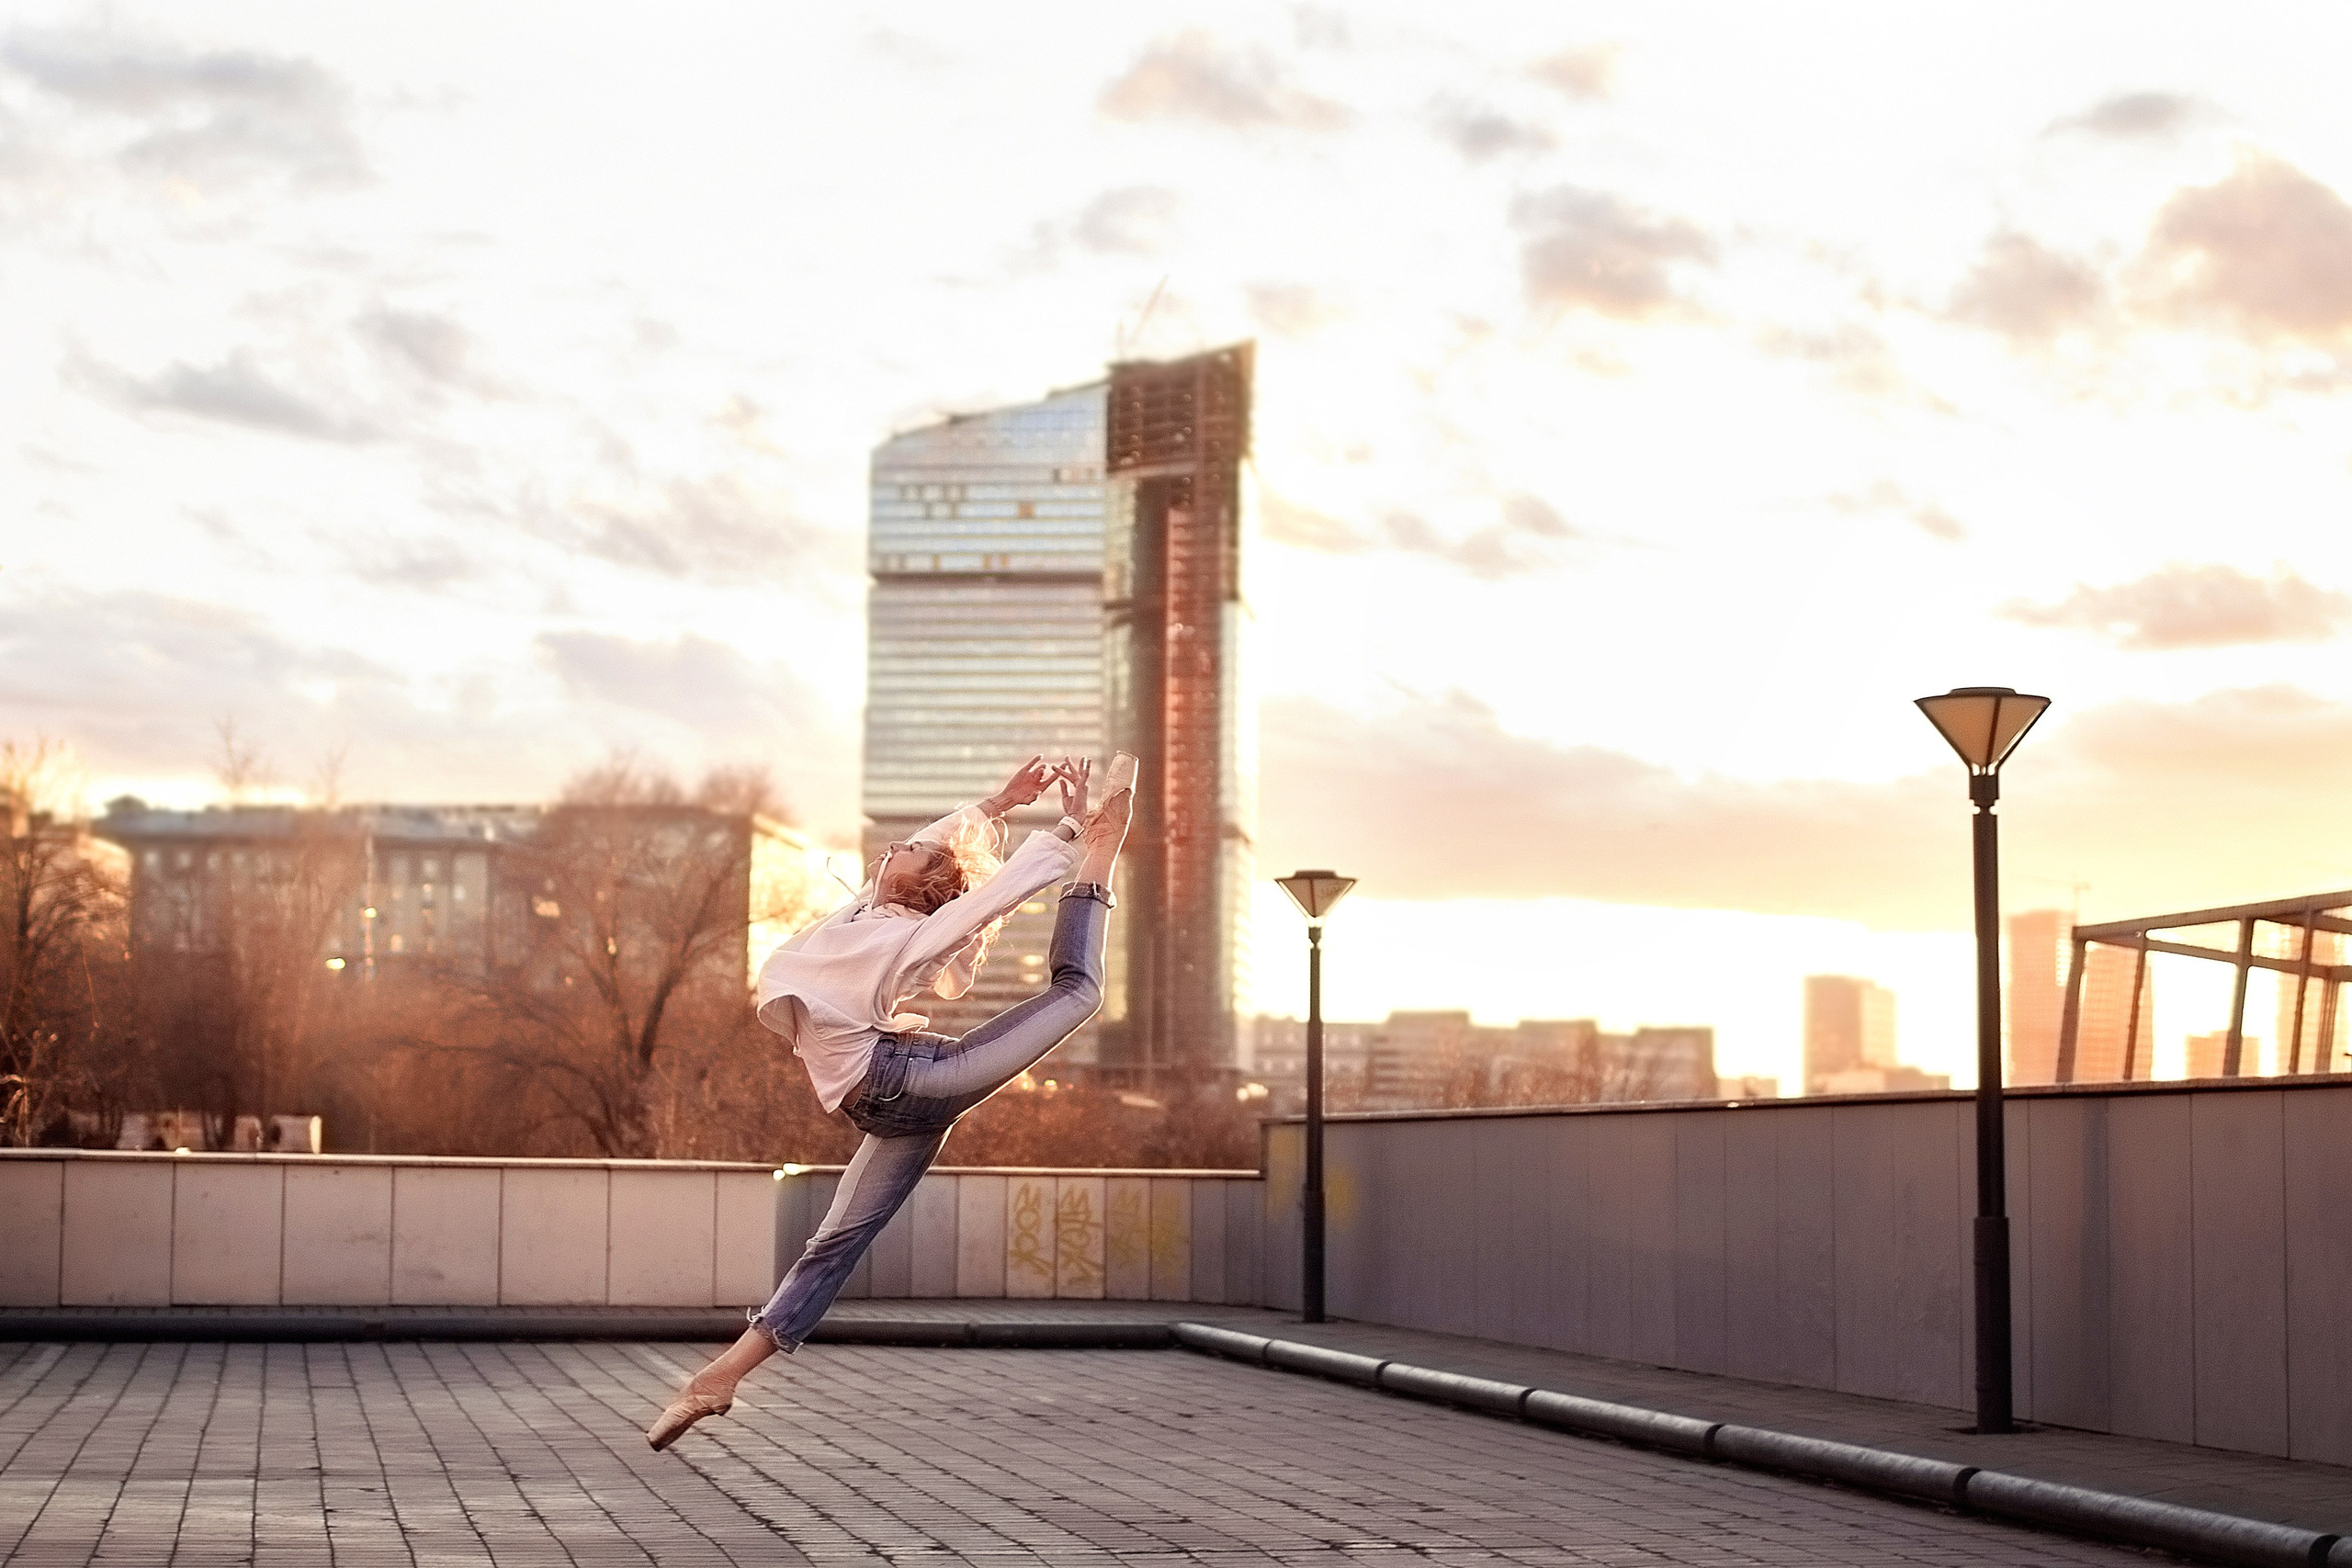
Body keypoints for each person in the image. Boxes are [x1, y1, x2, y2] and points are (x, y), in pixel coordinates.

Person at [645, 750, 1136, 1450]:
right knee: (833, 1245)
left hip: (911, 1079)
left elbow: (983, 901)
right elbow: (939, 845)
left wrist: (1066, 833)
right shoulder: (858, 913)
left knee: (1077, 992)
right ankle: (717, 1378)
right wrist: (998, 804)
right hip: (884, 1103)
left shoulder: (906, 935)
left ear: (917, 888)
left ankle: (1101, 856)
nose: (903, 845)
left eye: (912, 850)